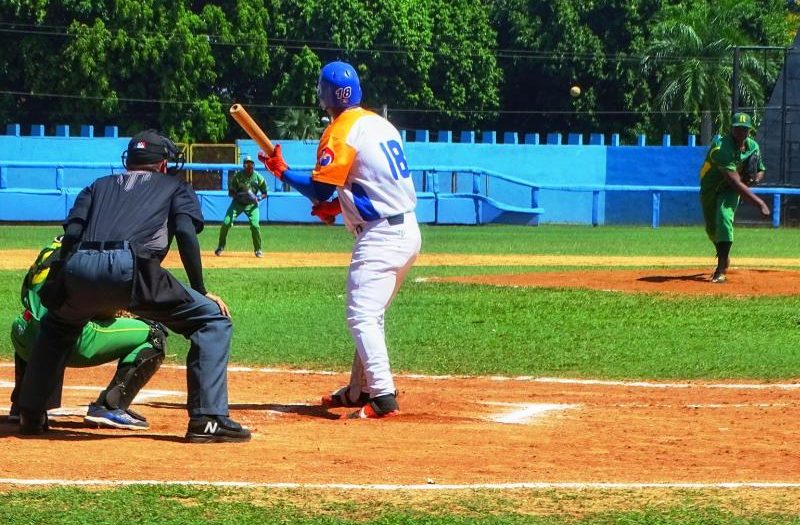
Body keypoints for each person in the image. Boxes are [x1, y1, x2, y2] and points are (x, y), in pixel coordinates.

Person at [16, 129, 250, 443]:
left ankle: (31, 414)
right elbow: (185, 231)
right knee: (211, 320)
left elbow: (71, 234)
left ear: (130, 160)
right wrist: (201, 288)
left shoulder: (97, 185)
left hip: (78, 266)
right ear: (164, 163)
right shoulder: (175, 186)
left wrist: (62, 281)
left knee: (56, 326)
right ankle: (207, 419)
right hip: (133, 268)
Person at [259, 61, 421, 419]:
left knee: (362, 314)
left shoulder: (340, 130)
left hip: (381, 235)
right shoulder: (379, 124)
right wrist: (336, 209)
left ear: (326, 94)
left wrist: (282, 171)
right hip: (405, 229)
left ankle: (382, 397)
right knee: (369, 313)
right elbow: (369, 181)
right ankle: (357, 390)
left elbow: (319, 185)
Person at [10, 236, 167, 430]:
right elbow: (99, 305)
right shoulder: (100, 250)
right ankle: (110, 406)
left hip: (23, 335)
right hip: (71, 341)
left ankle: (24, 405)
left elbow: (28, 292)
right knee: (155, 333)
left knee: (36, 321)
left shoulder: (54, 245)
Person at [699, 112, 770, 283]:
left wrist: (755, 179)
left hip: (730, 190)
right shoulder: (721, 147)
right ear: (732, 129)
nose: (741, 133)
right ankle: (723, 253)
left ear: (749, 131)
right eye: (738, 129)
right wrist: (760, 203)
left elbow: (760, 170)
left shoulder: (753, 146)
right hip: (711, 187)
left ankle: (721, 269)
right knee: (711, 229)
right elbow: (734, 180)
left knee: (724, 217)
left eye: (745, 129)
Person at [215, 155, 268, 257]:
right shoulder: (238, 177)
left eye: (251, 163)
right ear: (244, 165)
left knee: (255, 225)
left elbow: (265, 192)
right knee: (226, 222)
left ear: (254, 165)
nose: (249, 165)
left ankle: (258, 250)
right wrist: (239, 196)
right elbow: (230, 192)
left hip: (251, 205)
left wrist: (258, 198)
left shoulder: (258, 177)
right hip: (238, 203)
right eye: (247, 163)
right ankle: (221, 246)